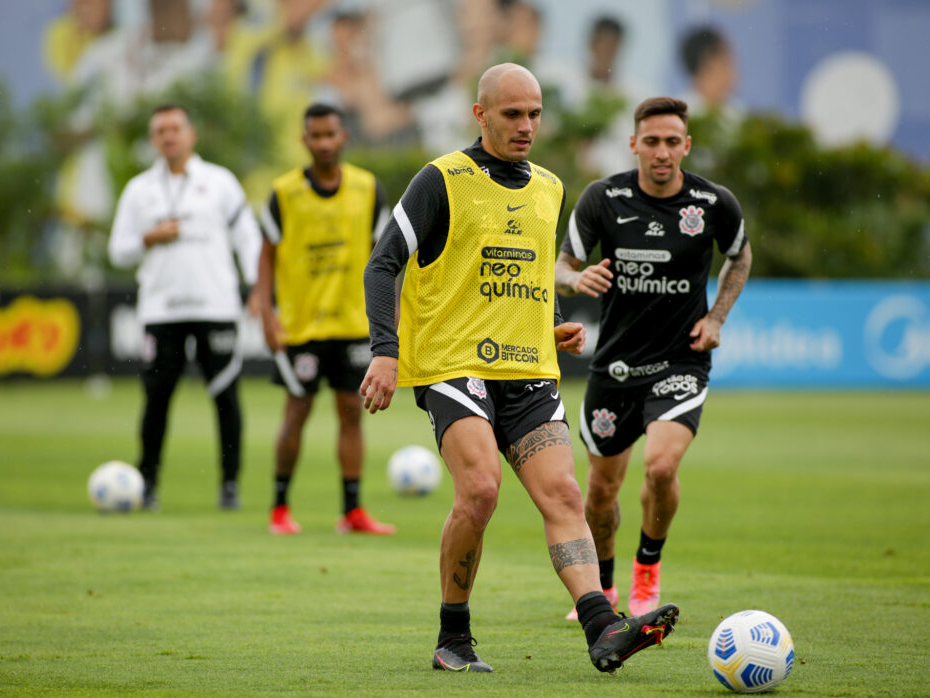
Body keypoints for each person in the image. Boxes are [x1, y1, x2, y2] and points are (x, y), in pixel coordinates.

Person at [361, 63, 679, 674]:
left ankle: (601, 628)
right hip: (453, 365)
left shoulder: (550, 187)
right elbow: (383, 263)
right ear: (480, 115)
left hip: (529, 368)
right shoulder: (440, 180)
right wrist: (384, 349)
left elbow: (530, 272)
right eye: (512, 114)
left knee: (563, 493)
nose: (527, 125)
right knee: (480, 491)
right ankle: (453, 637)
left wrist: (551, 320)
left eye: (534, 113)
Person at [554, 96, 752, 619]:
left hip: (679, 362)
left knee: (661, 467)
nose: (661, 152)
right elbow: (562, 263)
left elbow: (740, 254)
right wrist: (576, 277)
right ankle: (605, 587)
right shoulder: (603, 198)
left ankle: (647, 571)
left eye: (671, 142)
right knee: (600, 490)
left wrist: (716, 319)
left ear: (686, 145)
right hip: (615, 366)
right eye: (651, 141)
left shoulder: (713, 203)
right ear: (633, 144)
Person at [108, 104, 262, 510]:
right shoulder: (139, 190)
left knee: (226, 397)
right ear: (152, 139)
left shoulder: (219, 182)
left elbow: (249, 238)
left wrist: (256, 288)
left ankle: (230, 485)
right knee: (156, 400)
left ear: (190, 134)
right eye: (160, 130)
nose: (168, 136)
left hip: (215, 306)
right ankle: (146, 485)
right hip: (162, 311)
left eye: (175, 128)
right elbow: (117, 251)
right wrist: (149, 237)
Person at [252, 103, 395, 537]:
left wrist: (390, 318)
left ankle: (352, 512)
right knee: (296, 413)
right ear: (304, 140)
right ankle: (279, 507)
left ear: (344, 136)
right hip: (302, 327)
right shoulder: (283, 192)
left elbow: (386, 257)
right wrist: (265, 311)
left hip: (354, 324)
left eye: (331, 134)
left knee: (352, 412)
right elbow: (267, 254)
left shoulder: (368, 189)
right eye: (315, 136)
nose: (324, 143)